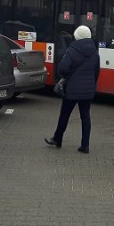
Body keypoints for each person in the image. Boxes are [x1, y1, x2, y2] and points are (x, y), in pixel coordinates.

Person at [44, 25, 100, 154]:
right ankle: (85, 145)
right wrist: (90, 85)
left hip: (72, 90)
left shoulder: (72, 50)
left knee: (65, 114)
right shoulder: (95, 52)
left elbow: (63, 68)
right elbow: (96, 72)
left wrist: (65, 77)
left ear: (77, 36)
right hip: (87, 90)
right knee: (85, 116)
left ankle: (57, 139)